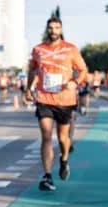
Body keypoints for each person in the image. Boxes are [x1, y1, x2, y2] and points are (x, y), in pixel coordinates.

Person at [24, 16, 89, 191]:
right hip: (44, 99)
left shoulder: (71, 49)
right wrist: (28, 89)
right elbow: (32, 69)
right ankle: (47, 176)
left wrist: (75, 82)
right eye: (51, 28)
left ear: (61, 29)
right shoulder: (38, 49)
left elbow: (83, 70)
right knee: (46, 135)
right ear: (47, 29)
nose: (53, 31)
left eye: (57, 28)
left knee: (62, 138)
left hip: (65, 99)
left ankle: (64, 160)